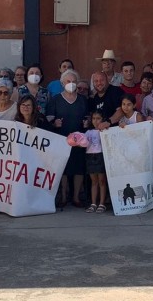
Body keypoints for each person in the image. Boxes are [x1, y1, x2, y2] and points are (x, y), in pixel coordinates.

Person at [46, 70, 89, 209]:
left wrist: (87, 123)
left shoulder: (83, 100)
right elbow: (49, 120)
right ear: (62, 83)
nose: (71, 84)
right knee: (63, 169)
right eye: (68, 81)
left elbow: (88, 117)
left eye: (73, 81)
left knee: (78, 169)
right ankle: (64, 196)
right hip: (61, 139)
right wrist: (54, 123)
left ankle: (76, 197)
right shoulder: (55, 100)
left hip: (80, 140)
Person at [84, 111, 108, 213]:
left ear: (103, 119)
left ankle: (102, 203)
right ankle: (93, 203)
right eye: (94, 118)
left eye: (98, 118)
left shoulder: (105, 131)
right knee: (94, 181)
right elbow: (82, 143)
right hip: (90, 156)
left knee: (102, 181)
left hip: (101, 156)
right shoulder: (88, 132)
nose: (96, 121)